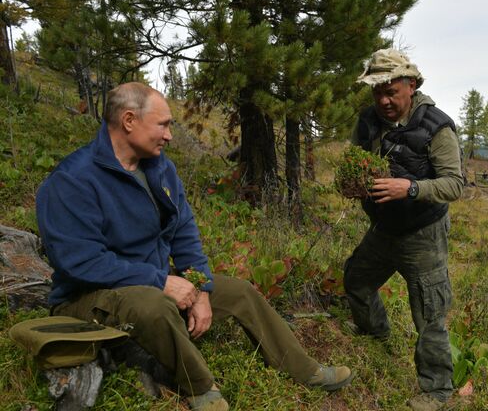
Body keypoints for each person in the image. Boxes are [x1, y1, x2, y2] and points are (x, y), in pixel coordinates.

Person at [36, 82, 353, 411]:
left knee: (241, 292)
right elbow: (80, 262)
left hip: (152, 282)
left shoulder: (160, 168)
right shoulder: (72, 180)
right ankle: (202, 389)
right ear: (129, 120)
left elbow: (183, 231)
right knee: (152, 304)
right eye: (163, 124)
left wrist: (200, 287)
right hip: (86, 297)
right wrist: (159, 281)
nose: (170, 135)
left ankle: (305, 369)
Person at [344, 49, 463, 411]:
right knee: (357, 279)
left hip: (423, 234)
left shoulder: (436, 127)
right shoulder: (368, 121)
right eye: (376, 92)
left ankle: (438, 390)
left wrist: (408, 188)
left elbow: (455, 185)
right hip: (383, 228)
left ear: (410, 85)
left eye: (391, 91)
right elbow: (354, 161)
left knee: (429, 313)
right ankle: (375, 333)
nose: (383, 100)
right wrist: (352, 182)